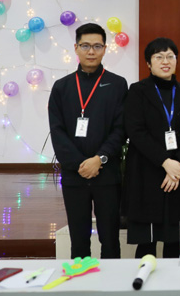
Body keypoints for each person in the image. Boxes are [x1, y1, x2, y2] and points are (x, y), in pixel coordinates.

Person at [48, 22, 128, 259]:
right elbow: (57, 131)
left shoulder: (117, 84)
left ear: (105, 49)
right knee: (79, 240)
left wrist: (99, 159)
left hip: (107, 174)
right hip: (75, 176)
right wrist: (80, 165)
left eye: (97, 46)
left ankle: (111, 280)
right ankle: (81, 279)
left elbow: (120, 129)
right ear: (76, 48)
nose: (91, 51)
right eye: (85, 46)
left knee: (110, 239)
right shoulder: (61, 87)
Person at [123, 37, 180, 259]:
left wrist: (177, 167)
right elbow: (135, 131)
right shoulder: (137, 91)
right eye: (159, 57)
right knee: (147, 243)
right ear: (148, 63)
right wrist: (165, 162)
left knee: (175, 241)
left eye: (170, 56)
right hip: (147, 171)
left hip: (178, 174)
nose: (165, 61)